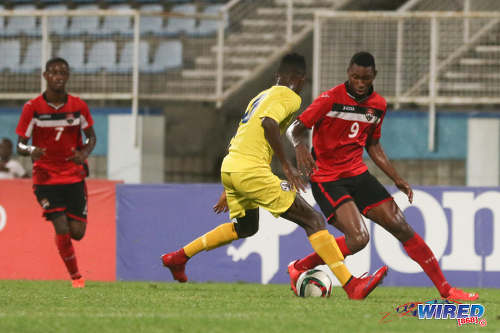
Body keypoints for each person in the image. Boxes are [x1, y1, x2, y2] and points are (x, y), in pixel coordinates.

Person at [161, 53, 388, 300]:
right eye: (303, 82)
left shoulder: (261, 96)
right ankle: (351, 284)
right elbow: (269, 124)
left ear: (277, 76)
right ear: (300, 79)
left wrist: (230, 185)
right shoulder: (290, 96)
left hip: (232, 166)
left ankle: (178, 257)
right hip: (250, 170)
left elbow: (245, 133)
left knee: (245, 227)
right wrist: (287, 166)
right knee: (313, 220)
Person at [285, 51, 478, 301]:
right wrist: (300, 146)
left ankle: (446, 290)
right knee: (358, 239)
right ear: (348, 74)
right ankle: (301, 266)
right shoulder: (329, 99)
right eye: (355, 77)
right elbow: (294, 128)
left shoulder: (378, 105)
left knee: (402, 227)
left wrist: (396, 178)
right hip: (327, 178)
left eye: (365, 78)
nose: (360, 83)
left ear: (373, 75)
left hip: (358, 174)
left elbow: (373, 145)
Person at [15, 57, 96, 288]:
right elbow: (20, 144)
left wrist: (84, 154)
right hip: (46, 177)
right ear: (45, 76)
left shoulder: (78, 106)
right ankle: (76, 277)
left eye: (62, 72)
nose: (58, 76)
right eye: (53, 72)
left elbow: (92, 137)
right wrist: (31, 150)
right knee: (60, 226)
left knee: (77, 232)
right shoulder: (33, 108)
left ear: (68, 76)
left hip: (73, 175)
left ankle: (72, 264)